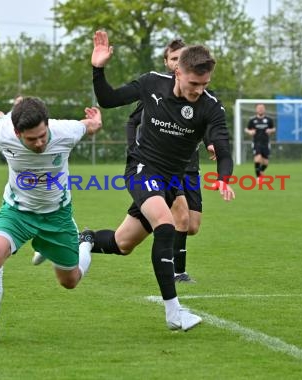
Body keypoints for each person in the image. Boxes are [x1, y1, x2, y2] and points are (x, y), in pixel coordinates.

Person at [87, 30, 235, 331]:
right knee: (166, 225)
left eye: (205, 84)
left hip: (169, 181)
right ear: (177, 70)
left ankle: (83, 239)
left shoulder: (210, 106)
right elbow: (108, 98)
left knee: (122, 243)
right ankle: (173, 312)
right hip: (142, 169)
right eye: (194, 83)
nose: (198, 90)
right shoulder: (152, 83)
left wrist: (223, 178)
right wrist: (98, 68)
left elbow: (222, 145)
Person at [0, 97, 102, 346]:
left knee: (70, 281)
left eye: (42, 136)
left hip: (57, 216)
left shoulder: (64, 131)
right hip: (17, 212)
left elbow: (88, 126)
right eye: (31, 139)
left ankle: (85, 241)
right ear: (17, 133)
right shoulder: (4, 132)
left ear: (48, 125)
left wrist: (96, 121)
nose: (39, 143)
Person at [124, 38, 216, 283]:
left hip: (190, 167)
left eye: (180, 57)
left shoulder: (201, 95)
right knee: (178, 217)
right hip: (160, 168)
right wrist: (134, 150)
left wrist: (210, 142)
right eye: (173, 58)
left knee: (191, 224)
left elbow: (209, 123)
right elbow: (133, 121)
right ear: (168, 63)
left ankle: (100, 239)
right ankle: (177, 272)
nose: (177, 62)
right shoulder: (155, 92)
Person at [244, 104, 275, 182]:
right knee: (258, 158)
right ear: (256, 110)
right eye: (259, 108)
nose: (260, 109)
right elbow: (246, 129)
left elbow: (273, 129)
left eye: (262, 108)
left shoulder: (268, 120)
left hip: (266, 143)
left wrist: (270, 130)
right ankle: (258, 177)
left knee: (266, 163)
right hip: (256, 142)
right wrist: (250, 132)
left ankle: (261, 171)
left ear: (264, 109)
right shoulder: (253, 120)